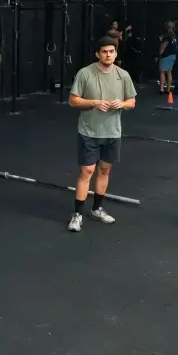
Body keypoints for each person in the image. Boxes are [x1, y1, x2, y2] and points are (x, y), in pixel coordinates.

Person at [67, 36, 137, 232]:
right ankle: (77, 214)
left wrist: (121, 104)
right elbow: (73, 101)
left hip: (112, 133)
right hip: (89, 131)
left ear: (115, 54)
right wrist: (95, 102)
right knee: (86, 171)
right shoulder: (85, 73)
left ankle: (97, 208)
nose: (108, 55)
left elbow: (131, 102)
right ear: (98, 54)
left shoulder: (123, 75)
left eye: (111, 52)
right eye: (104, 52)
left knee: (105, 170)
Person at [157, 21, 178, 94]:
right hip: (173, 56)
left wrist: (159, 54)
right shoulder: (174, 35)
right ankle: (168, 89)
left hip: (166, 56)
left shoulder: (167, 35)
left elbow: (163, 46)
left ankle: (162, 89)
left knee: (162, 72)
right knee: (169, 72)